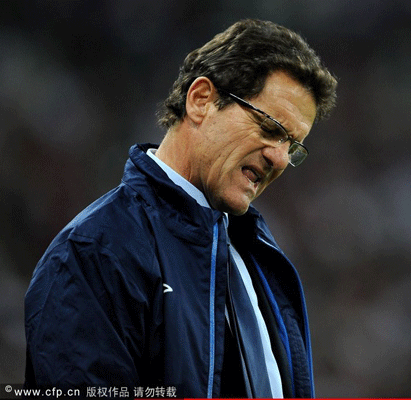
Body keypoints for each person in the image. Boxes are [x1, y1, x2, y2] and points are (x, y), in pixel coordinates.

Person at [24, 19, 337, 398]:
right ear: (201, 100)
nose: (280, 158)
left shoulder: (260, 260)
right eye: (271, 129)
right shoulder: (95, 251)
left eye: (293, 146)